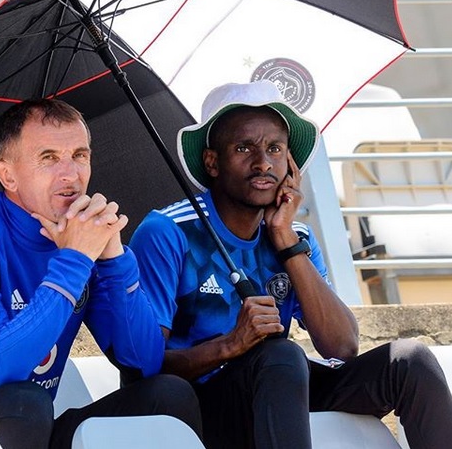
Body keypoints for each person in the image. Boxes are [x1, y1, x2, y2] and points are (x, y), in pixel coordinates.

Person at [129, 80, 452, 449]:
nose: (263, 162)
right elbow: (143, 369)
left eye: (275, 149)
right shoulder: (168, 232)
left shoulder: (294, 235)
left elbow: (342, 346)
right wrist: (230, 345)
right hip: (200, 406)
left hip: (276, 392)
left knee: (408, 361)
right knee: (280, 353)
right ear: (212, 162)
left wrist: (285, 239)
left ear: (291, 165)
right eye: (243, 147)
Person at [0, 98, 202, 449]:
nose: (71, 174)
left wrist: (113, 254)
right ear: (7, 175)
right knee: (24, 401)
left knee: (166, 396)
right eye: (49, 158)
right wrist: (75, 258)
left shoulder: (81, 239)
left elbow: (143, 363)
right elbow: (5, 366)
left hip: (30, 428)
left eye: (80, 155)